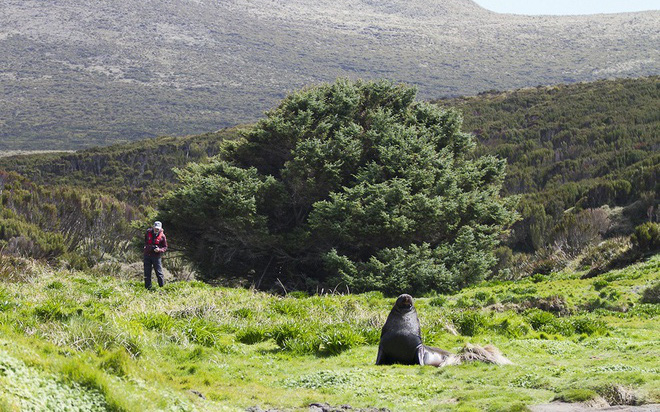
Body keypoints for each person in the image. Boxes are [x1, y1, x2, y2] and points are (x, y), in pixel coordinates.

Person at [144, 221, 167, 289]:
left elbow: (165, 247)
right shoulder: (148, 233)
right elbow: (145, 241)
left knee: (159, 273)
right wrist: (146, 247)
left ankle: (162, 288)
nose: (157, 229)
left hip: (156, 257)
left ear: (161, 228)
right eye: (156, 228)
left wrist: (159, 250)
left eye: (158, 228)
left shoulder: (162, 236)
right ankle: (148, 288)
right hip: (147, 255)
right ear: (153, 227)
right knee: (147, 273)